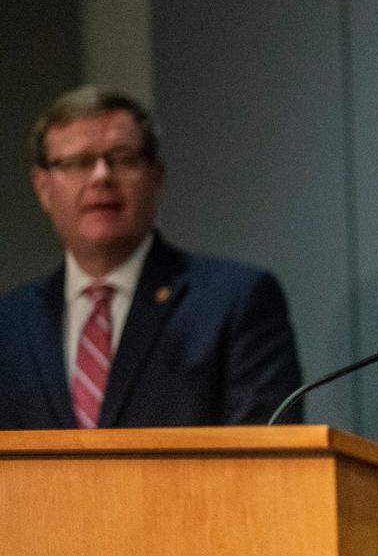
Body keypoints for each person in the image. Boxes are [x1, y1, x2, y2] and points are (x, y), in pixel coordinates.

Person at [0, 86, 304, 429]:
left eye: (123, 159)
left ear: (156, 177)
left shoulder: (234, 302)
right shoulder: (9, 324)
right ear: (43, 187)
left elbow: (269, 461)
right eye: (78, 163)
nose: (101, 177)